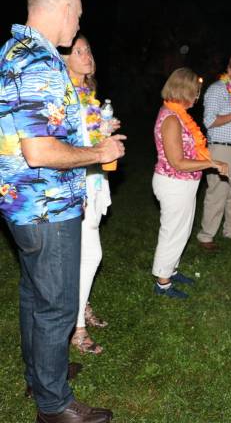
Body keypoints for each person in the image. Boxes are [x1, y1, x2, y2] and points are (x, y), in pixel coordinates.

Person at [0, 0, 125, 421]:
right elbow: (39, 150)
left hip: (23, 203)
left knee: (35, 294)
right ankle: (53, 405)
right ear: (64, 8)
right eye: (79, 15)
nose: (78, 27)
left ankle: (41, 375)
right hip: (47, 204)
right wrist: (99, 151)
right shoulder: (38, 61)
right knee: (57, 305)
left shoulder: (16, 49)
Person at [61, 34, 119, 355]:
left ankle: (80, 307)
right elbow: (64, 143)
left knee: (88, 250)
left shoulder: (87, 93)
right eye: (78, 51)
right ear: (65, 59)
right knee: (89, 254)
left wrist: (104, 130)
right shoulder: (63, 94)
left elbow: (90, 133)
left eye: (88, 49)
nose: (86, 54)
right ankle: (77, 328)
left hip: (94, 179)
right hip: (75, 181)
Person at [153, 68, 228, 298]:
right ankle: (162, 283)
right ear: (184, 90)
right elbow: (177, 162)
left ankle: (171, 270)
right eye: (195, 91)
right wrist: (211, 163)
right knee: (172, 233)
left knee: (182, 232)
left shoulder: (179, 114)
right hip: (173, 183)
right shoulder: (171, 119)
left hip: (183, 184)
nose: (197, 96)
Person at [196, 53, 231, 251]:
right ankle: (206, 236)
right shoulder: (216, 90)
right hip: (221, 149)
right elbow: (209, 121)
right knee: (217, 193)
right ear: (229, 70)